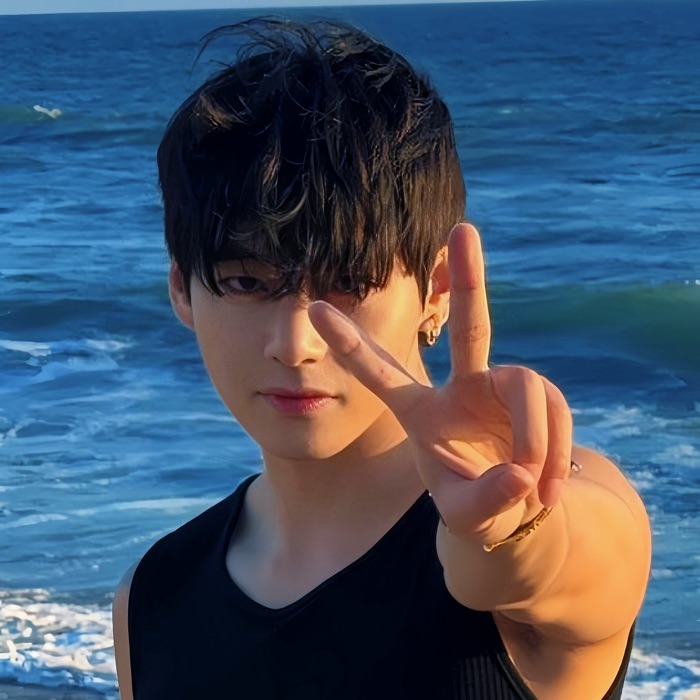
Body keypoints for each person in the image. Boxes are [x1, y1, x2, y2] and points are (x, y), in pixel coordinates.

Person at [112, 18, 650, 700]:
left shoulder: (553, 493)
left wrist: (508, 529)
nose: (296, 343)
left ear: (436, 291)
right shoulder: (153, 596)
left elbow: (558, 561)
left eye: (349, 282)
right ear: (181, 290)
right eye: (246, 282)